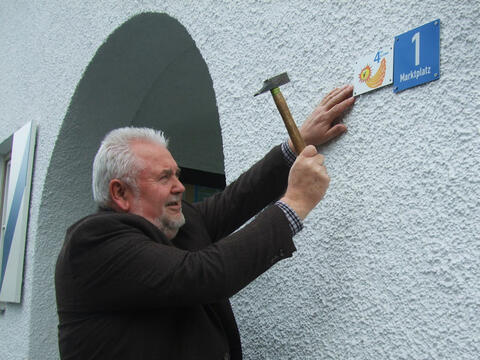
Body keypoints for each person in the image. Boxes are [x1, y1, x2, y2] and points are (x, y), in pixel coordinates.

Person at [55, 85, 355, 360]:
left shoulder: (174, 225)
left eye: (176, 174)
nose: (179, 186)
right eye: (164, 177)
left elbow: (237, 199)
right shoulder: (92, 243)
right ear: (119, 192)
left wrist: (295, 144)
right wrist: (296, 203)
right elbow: (201, 276)